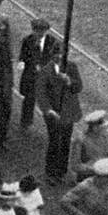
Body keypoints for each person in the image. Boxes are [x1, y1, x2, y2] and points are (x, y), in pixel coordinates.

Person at [37, 52, 83, 187]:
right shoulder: (46, 72)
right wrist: (48, 110)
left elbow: (79, 86)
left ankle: (62, 170)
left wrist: (69, 81)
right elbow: (41, 92)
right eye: (57, 55)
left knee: (65, 141)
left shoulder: (72, 67)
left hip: (68, 112)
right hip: (54, 114)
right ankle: (50, 172)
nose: (60, 58)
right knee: (54, 141)